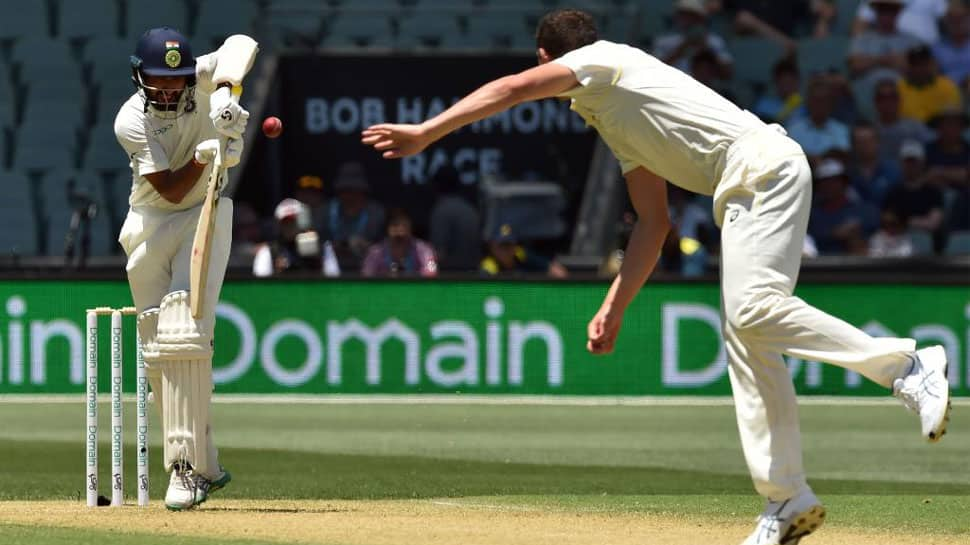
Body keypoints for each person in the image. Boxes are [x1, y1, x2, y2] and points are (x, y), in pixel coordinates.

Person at [361, 10, 952, 544]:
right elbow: (653, 222)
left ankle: (907, 366)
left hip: (762, 169)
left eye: (544, 66)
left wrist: (429, 131)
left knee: (751, 312)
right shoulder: (615, 113)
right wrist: (615, 306)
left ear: (549, 58)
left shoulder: (604, 63)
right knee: (747, 341)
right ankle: (786, 498)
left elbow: (512, 89)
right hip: (747, 185)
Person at [114, 28, 258, 510]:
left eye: (177, 80)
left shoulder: (199, 80)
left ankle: (184, 469)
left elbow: (243, 43)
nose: (170, 89)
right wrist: (213, 152)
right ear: (141, 77)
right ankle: (209, 461)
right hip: (151, 221)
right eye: (159, 79)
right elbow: (171, 190)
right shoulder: (131, 118)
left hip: (205, 216)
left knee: (186, 333)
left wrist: (223, 92)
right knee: (158, 351)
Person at [318, 162, 386, 270]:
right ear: (339, 192)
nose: (350, 196)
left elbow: (385, 248)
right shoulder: (325, 212)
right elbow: (315, 245)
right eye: (346, 190)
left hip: (367, 268)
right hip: (330, 268)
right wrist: (334, 246)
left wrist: (368, 247)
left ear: (363, 191)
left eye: (354, 190)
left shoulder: (376, 213)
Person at [807, 158, 880, 254]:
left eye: (834, 181)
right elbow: (809, 238)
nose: (829, 186)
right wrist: (834, 234)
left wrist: (856, 230)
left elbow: (876, 228)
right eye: (824, 182)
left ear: (844, 183)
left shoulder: (863, 209)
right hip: (822, 264)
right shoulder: (812, 214)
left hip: (859, 264)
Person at [884, 139, 947, 250]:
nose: (911, 165)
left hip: (931, 251)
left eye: (914, 161)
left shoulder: (934, 192)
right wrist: (917, 222)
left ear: (922, 162)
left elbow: (933, 224)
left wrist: (905, 221)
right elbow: (889, 222)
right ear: (901, 163)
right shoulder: (893, 193)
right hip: (898, 247)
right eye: (908, 161)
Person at [253, 198, 338, 277]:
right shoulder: (269, 251)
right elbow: (260, 285)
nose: (289, 226)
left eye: (294, 222)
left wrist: (316, 263)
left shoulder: (323, 247)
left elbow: (333, 279)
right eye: (285, 222)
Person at [652, 0, 733, 78]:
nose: (687, 18)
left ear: (701, 17)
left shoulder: (714, 41)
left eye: (692, 15)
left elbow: (727, 74)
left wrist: (707, 50)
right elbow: (655, 71)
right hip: (671, 87)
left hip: (703, 89)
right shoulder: (664, 41)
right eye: (683, 13)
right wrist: (683, 47)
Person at [785, 76, 851, 163]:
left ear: (831, 103)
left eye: (823, 101)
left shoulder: (842, 130)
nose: (819, 105)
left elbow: (843, 157)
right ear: (808, 102)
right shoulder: (793, 130)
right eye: (816, 100)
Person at [428, 165, 481, 271]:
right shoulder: (470, 209)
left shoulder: (441, 211)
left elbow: (439, 253)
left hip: (450, 277)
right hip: (474, 275)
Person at [871, 78, 935, 162]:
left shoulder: (914, 127)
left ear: (899, 100)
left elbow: (936, 144)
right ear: (875, 102)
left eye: (892, 97)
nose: (888, 102)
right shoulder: (869, 131)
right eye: (882, 98)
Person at [361, 208, 438, 277]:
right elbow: (367, 273)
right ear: (387, 228)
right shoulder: (375, 252)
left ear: (411, 227)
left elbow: (432, 269)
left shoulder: (425, 250)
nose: (400, 230)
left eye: (404, 225)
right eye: (395, 225)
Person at [897, 45, 963, 123]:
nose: (920, 68)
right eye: (915, 64)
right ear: (908, 66)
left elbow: (953, 118)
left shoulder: (948, 87)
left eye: (924, 64)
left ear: (932, 64)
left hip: (939, 132)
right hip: (908, 132)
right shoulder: (898, 89)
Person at [478, 223, 568, 278]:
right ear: (492, 247)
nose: (507, 250)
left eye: (509, 245)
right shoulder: (488, 267)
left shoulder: (519, 253)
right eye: (502, 246)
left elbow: (557, 271)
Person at [847, 121, 902, 205]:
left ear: (877, 142)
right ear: (853, 146)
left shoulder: (893, 170)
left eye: (868, 140)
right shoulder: (847, 177)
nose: (864, 145)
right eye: (859, 142)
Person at [854, 0, 948, 45]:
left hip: (927, 51)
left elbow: (952, 18)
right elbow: (858, 27)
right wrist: (863, 48)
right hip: (888, 46)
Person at [752, 59, 805, 124]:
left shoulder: (805, 107)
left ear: (798, 82)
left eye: (790, 83)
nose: (787, 87)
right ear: (775, 82)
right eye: (784, 83)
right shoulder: (763, 105)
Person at [933, 1, 970, 87]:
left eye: (961, 18)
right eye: (952, 18)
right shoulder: (936, 48)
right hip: (947, 93)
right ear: (946, 20)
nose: (957, 22)